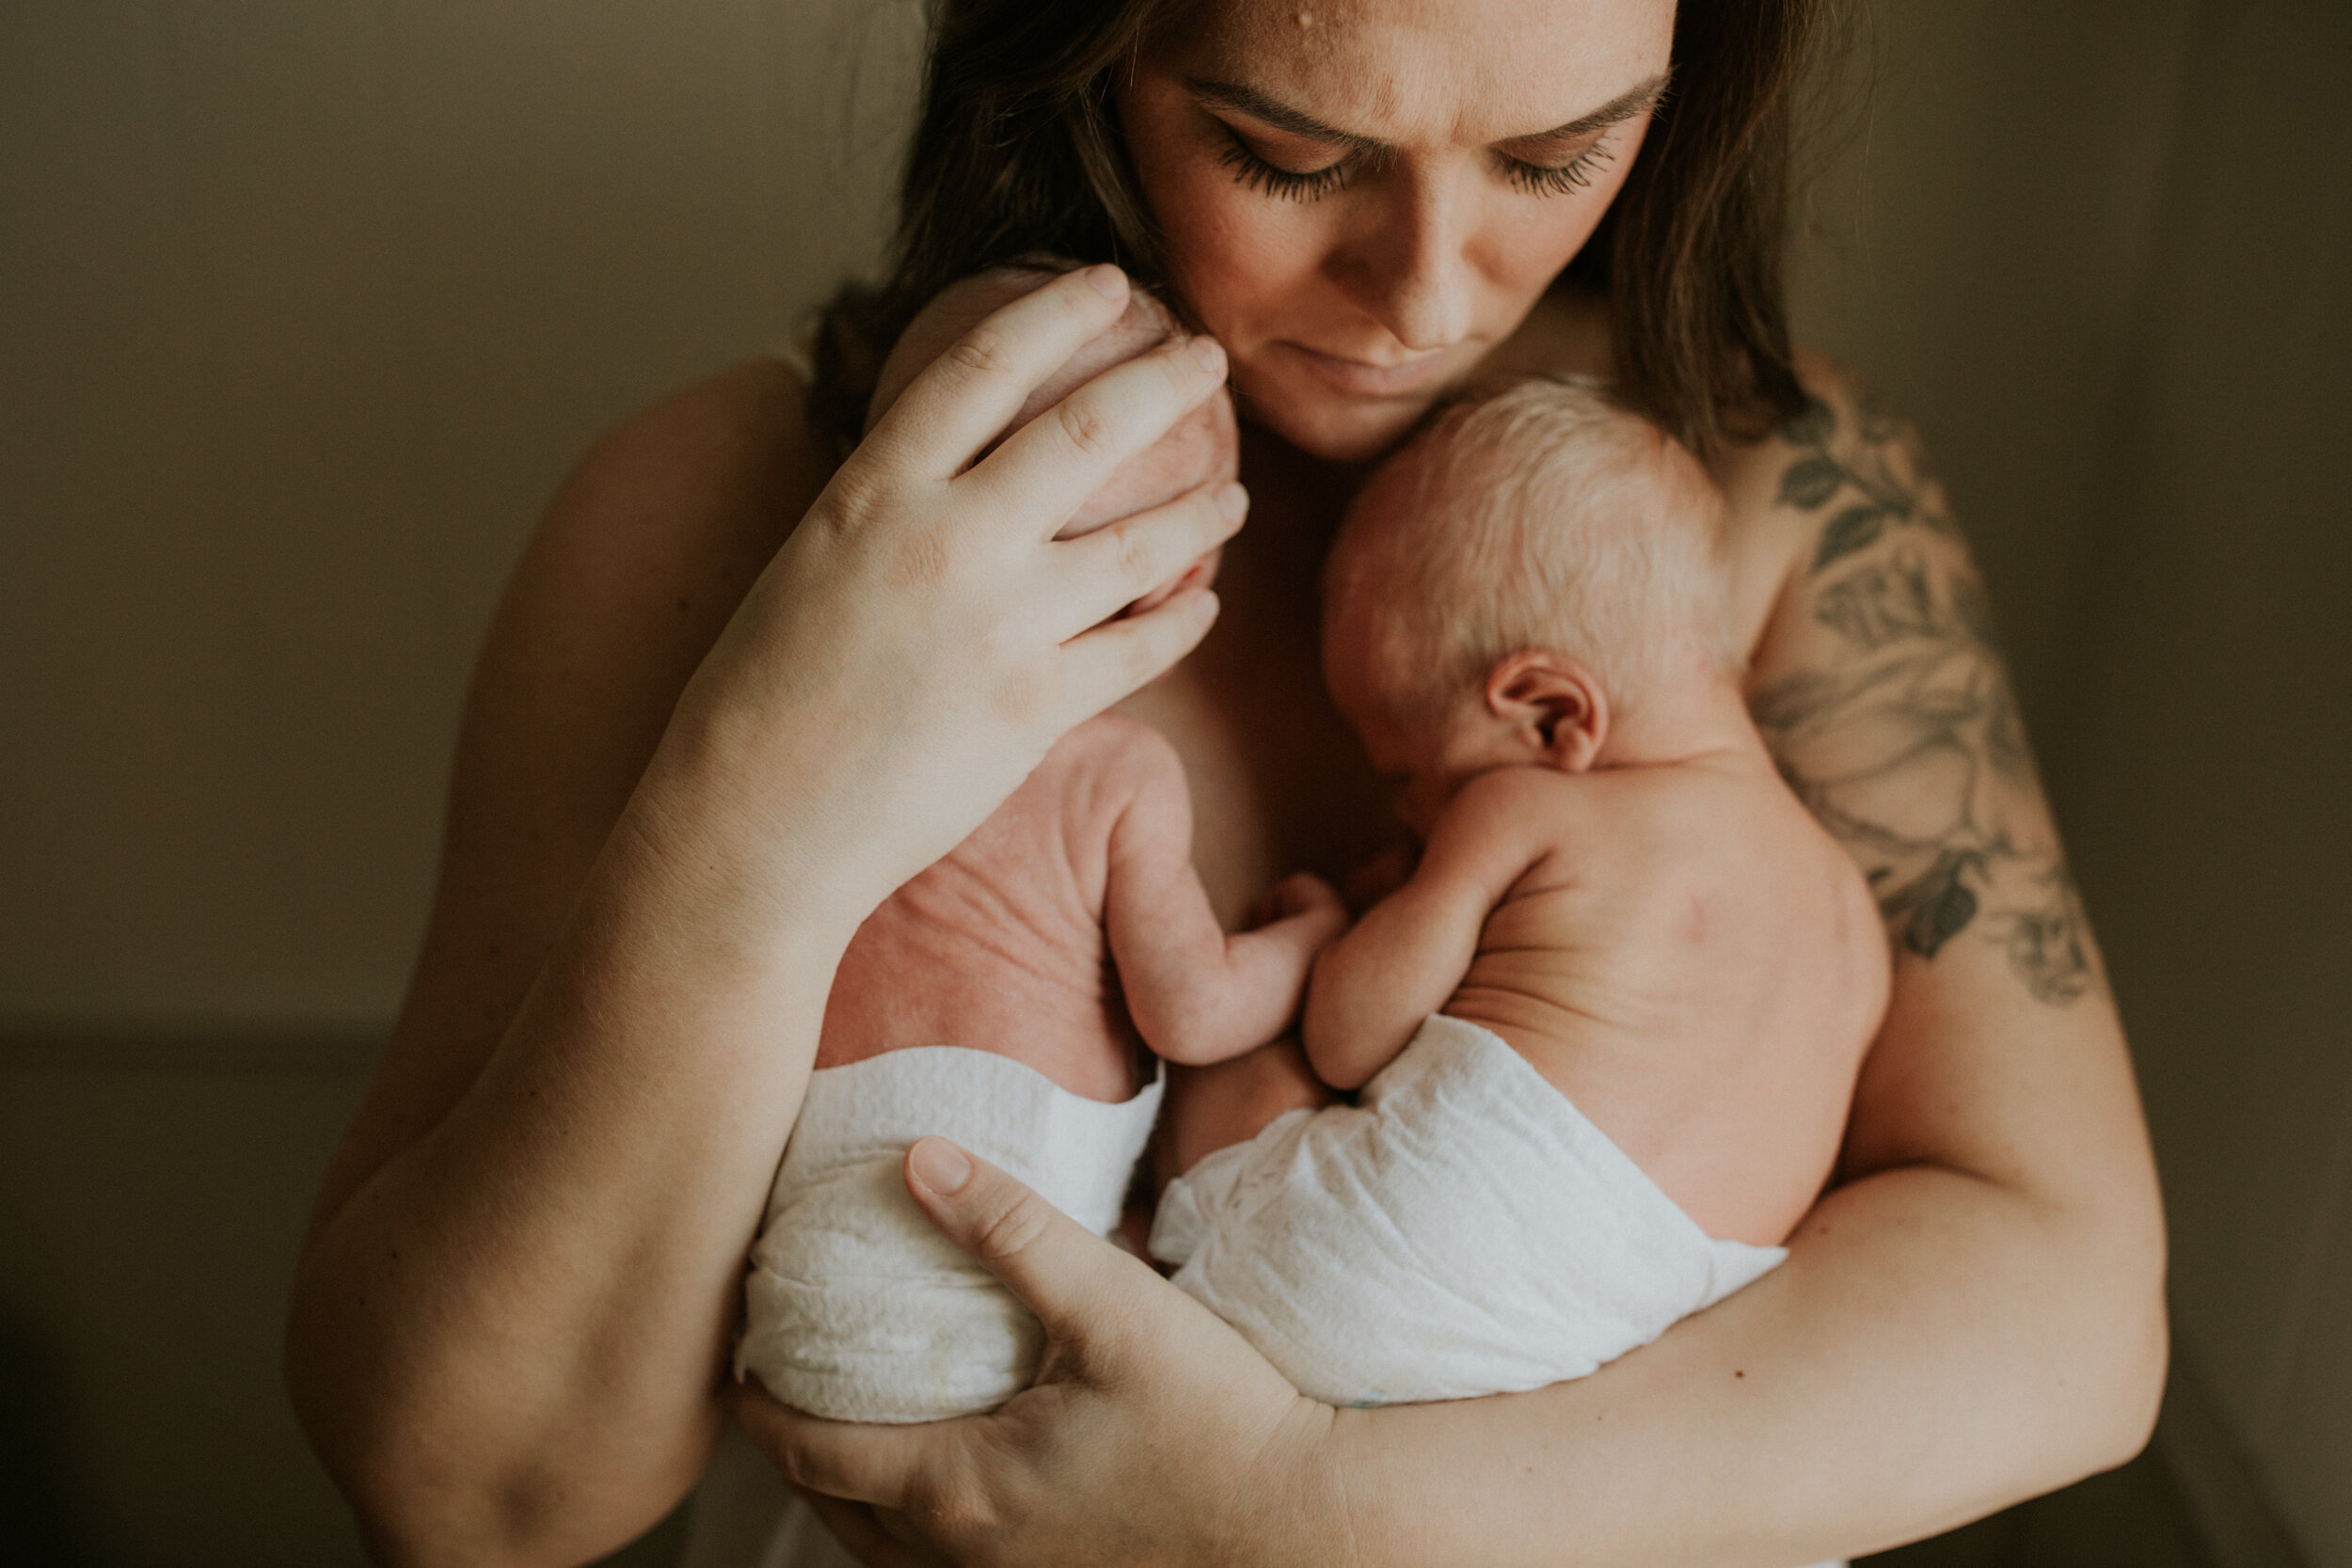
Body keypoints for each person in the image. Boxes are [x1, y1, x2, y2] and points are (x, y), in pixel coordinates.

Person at [284, 0, 2167, 1563]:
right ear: (1081, 51)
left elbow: (2065, 1311)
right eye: (1287, 152)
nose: (1427, 294)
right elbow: (477, 1489)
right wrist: (772, 790)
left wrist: (1314, 1507)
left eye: (1550, 156)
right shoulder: (736, 512)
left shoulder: (1759, 501)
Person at [1150, 374, 1886, 1415]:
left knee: (1252, 1068)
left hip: (1357, 1291)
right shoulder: (1849, 912)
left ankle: (1165, 1257)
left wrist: (1329, 926)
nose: (1402, 814)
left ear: (1547, 715)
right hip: (1591, 1368)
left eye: (1408, 773)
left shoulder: (1524, 811)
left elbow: (1348, 1035)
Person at [736, 266, 1345, 1427]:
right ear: (1185, 568)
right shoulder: (1109, 771)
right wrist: (1311, 933)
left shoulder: (830, 736)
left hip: (801, 1308)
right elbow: (1193, 1012)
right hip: (998, 1283)